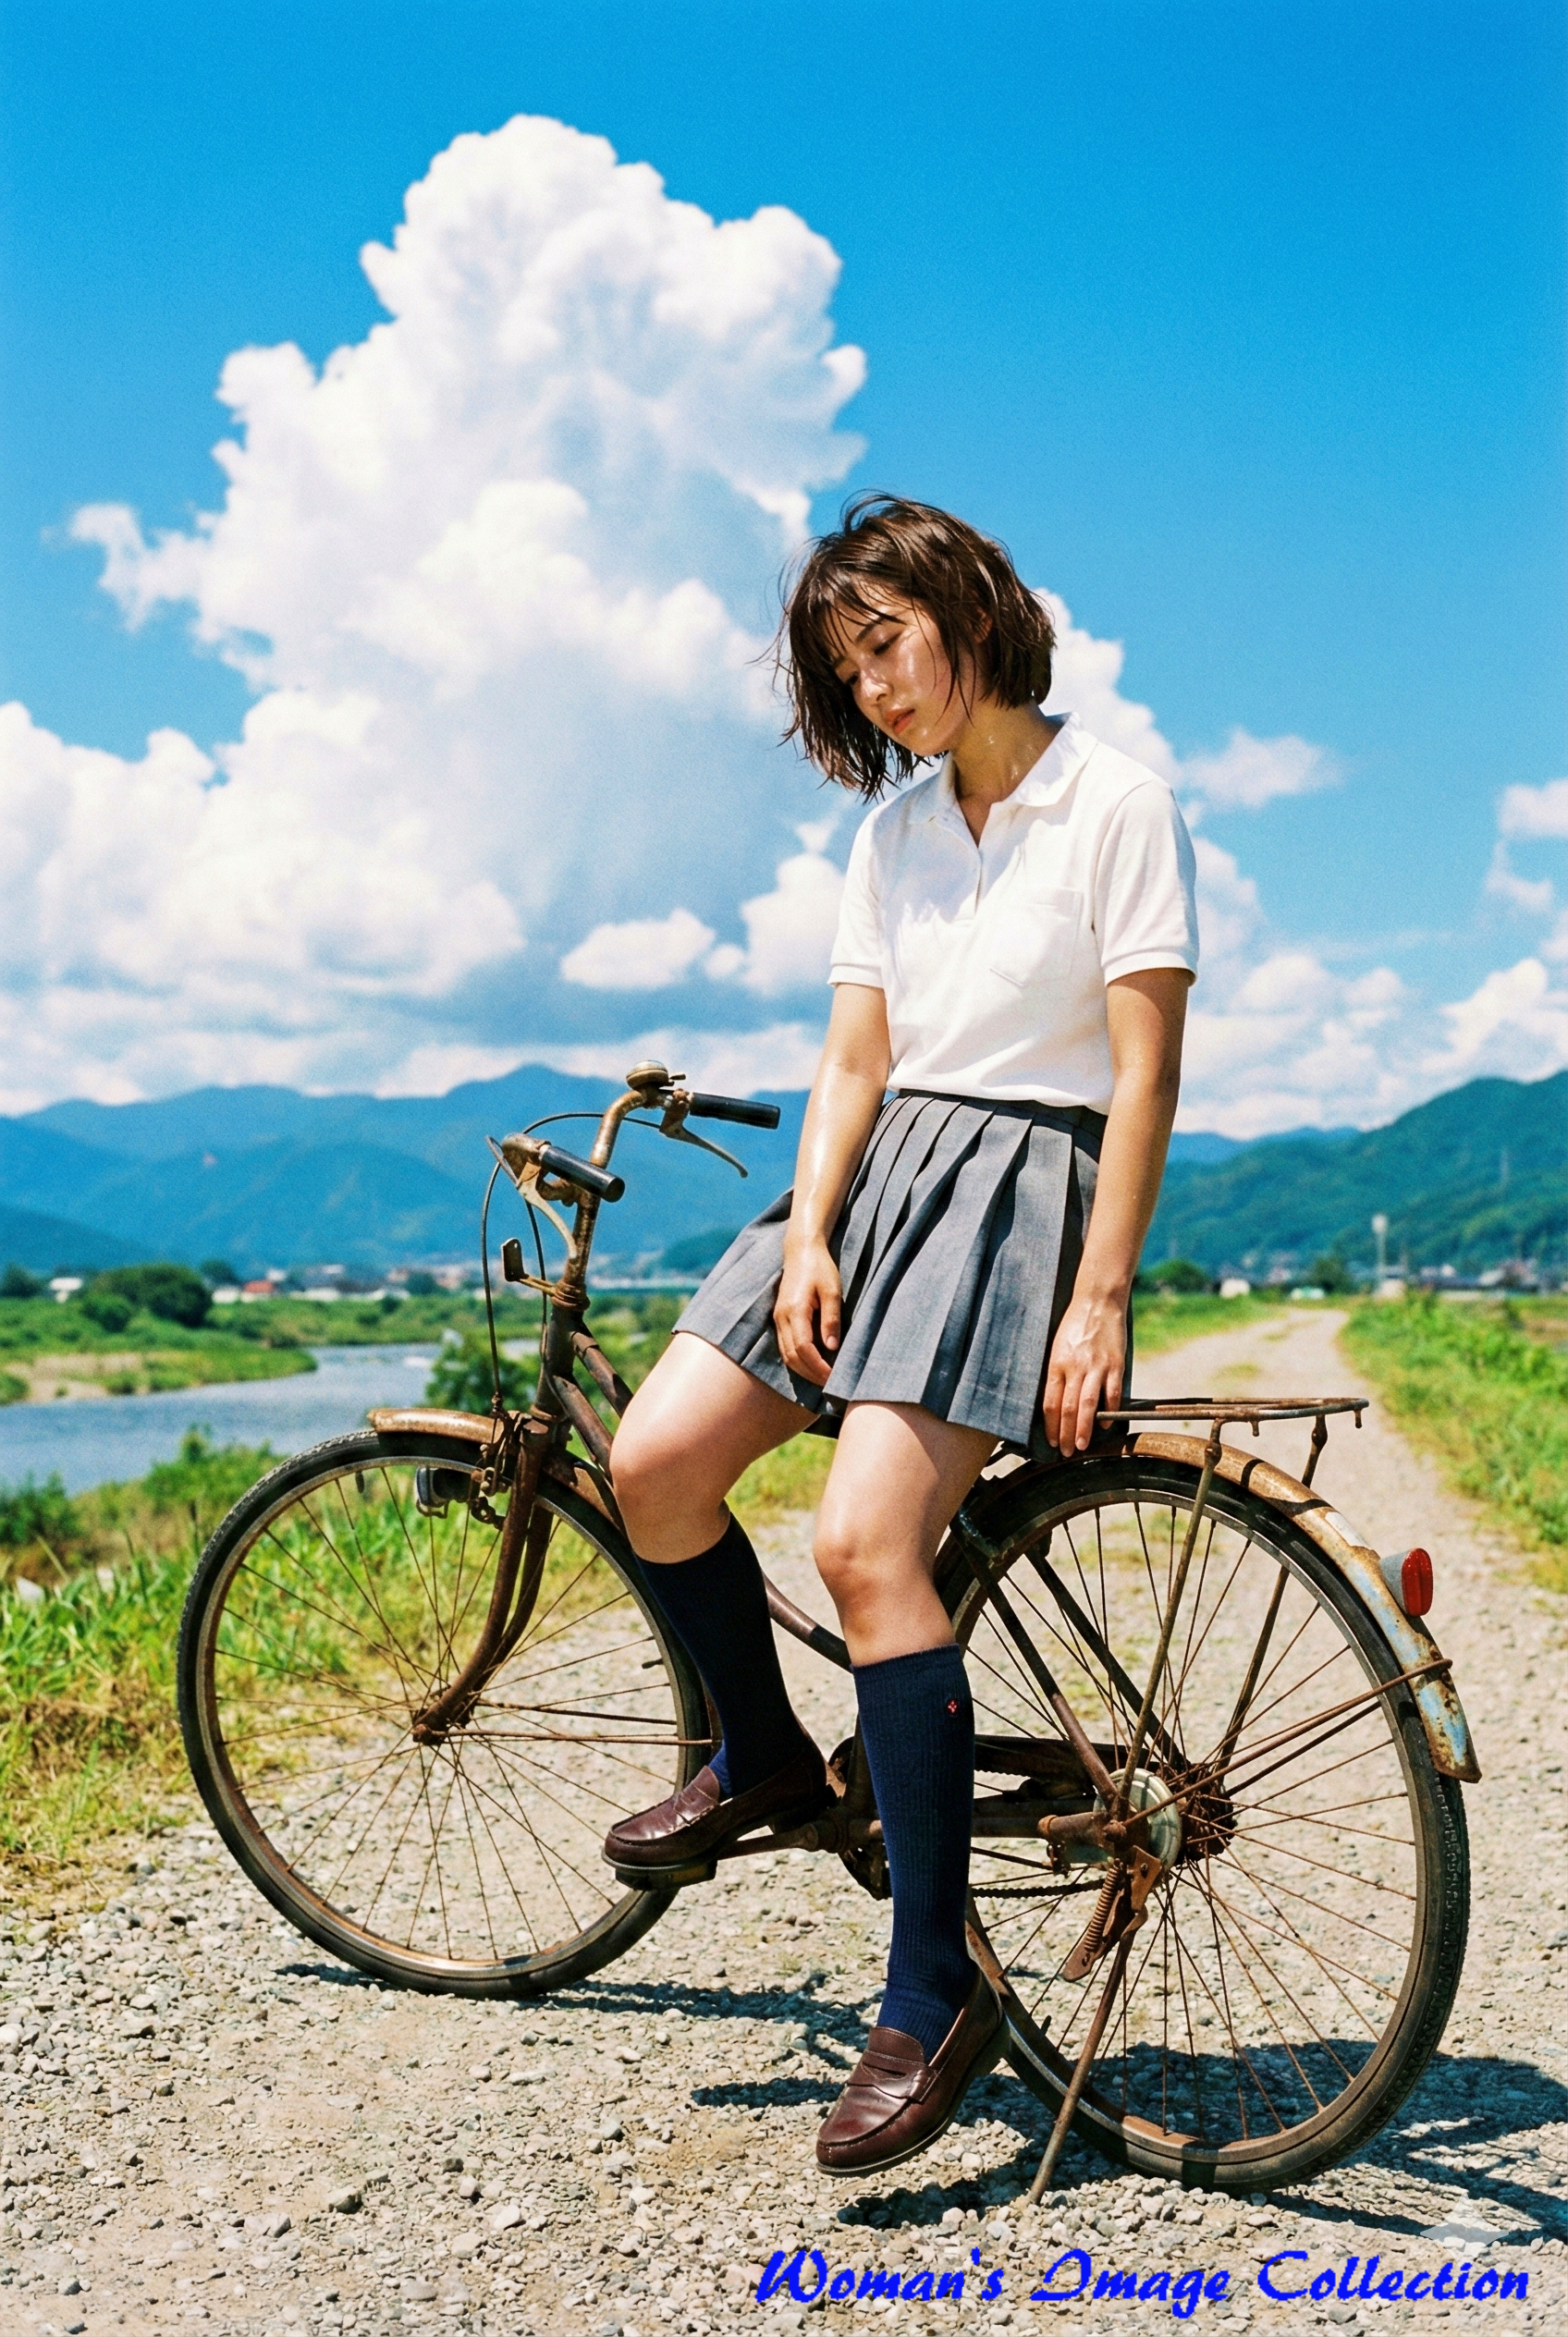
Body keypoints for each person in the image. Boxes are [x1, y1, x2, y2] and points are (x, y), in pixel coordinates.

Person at [605, 495, 1197, 2175]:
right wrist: (806, 1221)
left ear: (968, 612)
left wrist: (1098, 1293)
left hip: (1025, 1182)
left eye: (887, 644)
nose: (872, 687)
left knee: (866, 1546)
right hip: (874, 1175)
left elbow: (1147, 1074)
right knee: (651, 1464)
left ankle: (928, 1987)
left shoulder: (1118, 801)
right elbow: (854, 1056)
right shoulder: (893, 832)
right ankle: (767, 1758)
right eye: (841, 668)